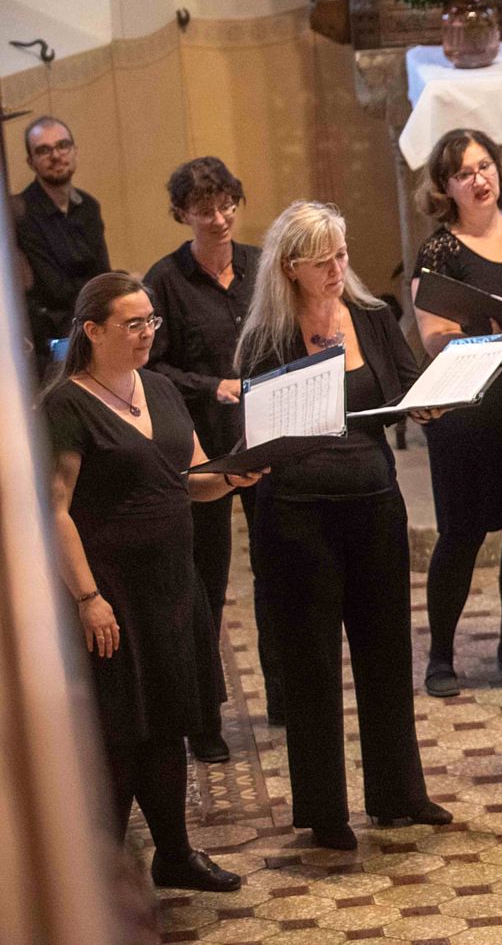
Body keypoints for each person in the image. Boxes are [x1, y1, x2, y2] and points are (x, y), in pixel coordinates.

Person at [237, 201, 451, 849]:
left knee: (386, 648)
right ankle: (325, 809)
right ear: (290, 267)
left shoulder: (375, 318)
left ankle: (397, 792)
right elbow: (255, 432)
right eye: (324, 258)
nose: (338, 267)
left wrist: (433, 406)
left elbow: (412, 391)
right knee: (312, 660)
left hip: (375, 501)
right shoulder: (265, 338)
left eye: (343, 253)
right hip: (298, 514)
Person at [44, 272, 262, 892]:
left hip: (172, 586)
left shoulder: (162, 389)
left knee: (168, 720)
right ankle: (99, 877)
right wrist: (87, 599)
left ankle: (174, 855)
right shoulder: (66, 404)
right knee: (116, 734)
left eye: (151, 323)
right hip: (111, 592)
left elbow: (189, 478)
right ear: (92, 331)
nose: (146, 334)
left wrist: (231, 477)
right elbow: (55, 509)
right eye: (133, 324)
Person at [411, 129, 502, 696]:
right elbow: (433, 336)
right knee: (462, 534)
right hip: (470, 407)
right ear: (446, 187)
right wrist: (490, 334)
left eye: (485, 166)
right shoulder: (439, 251)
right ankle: (440, 655)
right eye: (465, 172)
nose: (479, 179)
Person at [142, 157, 266, 761]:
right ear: (182, 214)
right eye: (204, 210)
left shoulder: (259, 266)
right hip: (202, 450)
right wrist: (211, 385)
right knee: (206, 589)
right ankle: (204, 720)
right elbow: (151, 367)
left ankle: (289, 697)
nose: (218, 219)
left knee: (282, 573)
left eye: (227, 206)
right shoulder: (164, 280)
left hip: (265, 439)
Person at [14, 116, 110, 372]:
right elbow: (53, 289)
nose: (56, 155)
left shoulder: (89, 206)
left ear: (74, 151)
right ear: (30, 162)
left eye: (62, 146)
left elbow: (102, 276)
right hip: (49, 342)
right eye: (44, 150)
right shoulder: (20, 214)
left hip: (90, 325)